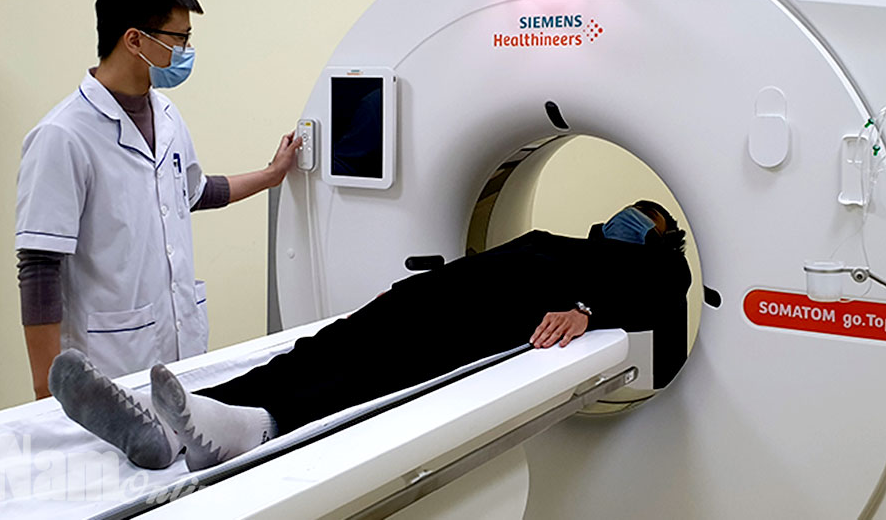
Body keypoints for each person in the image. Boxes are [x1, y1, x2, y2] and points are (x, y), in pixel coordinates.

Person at [48, 201, 691, 471]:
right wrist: (413, 287)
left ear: (660, 239)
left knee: (368, 371)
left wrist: (584, 308)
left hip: (480, 325)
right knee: (317, 348)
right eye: (633, 211)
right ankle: (171, 426)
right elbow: (482, 262)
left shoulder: (651, 265)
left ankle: (257, 427)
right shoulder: (555, 238)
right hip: (434, 296)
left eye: (648, 219)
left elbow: (665, 294)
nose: (634, 218)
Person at [16, 0, 300, 399]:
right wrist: (46, 391)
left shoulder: (166, 115)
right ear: (135, 40)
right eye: (179, 38)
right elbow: (39, 263)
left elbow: (194, 193)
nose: (186, 51)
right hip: (108, 363)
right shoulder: (63, 135)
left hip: (179, 354)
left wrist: (270, 176)